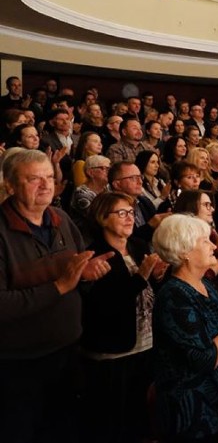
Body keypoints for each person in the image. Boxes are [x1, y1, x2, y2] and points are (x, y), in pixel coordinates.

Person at [0, 149, 112, 442]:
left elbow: (76, 273)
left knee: (65, 429)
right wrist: (59, 286)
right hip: (18, 363)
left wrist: (85, 275)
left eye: (49, 177)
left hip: (67, 350)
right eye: (34, 179)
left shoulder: (61, 218)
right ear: (10, 185)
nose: (46, 185)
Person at [152, 214, 218, 442]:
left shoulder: (205, 283)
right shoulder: (173, 296)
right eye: (205, 241)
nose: (213, 245)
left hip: (215, 403)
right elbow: (205, 360)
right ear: (184, 252)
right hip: (189, 412)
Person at [80, 191, 166, 443]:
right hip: (114, 353)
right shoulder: (96, 255)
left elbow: (149, 292)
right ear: (102, 218)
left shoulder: (138, 246)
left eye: (131, 212)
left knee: (145, 420)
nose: (130, 218)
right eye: (121, 213)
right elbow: (105, 306)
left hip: (147, 344)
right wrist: (141, 276)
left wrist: (157, 277)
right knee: (117, 425)